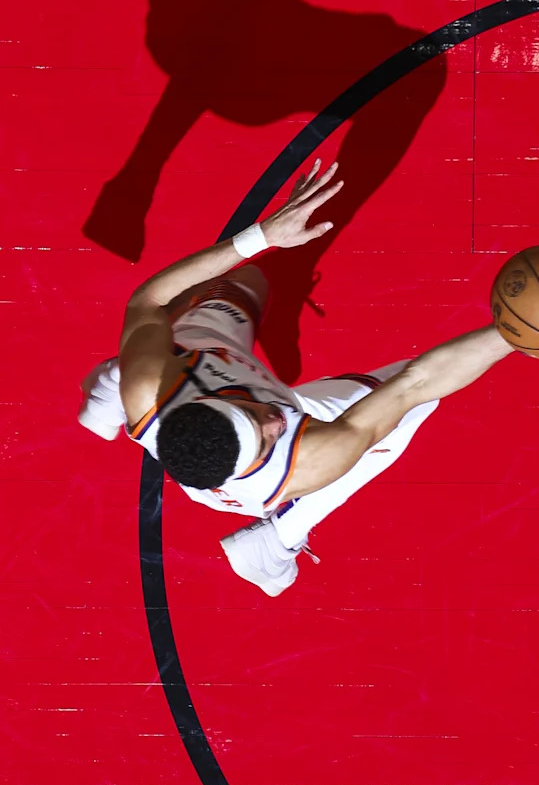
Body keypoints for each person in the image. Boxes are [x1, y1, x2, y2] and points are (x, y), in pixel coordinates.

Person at [79, 159, 515, 596]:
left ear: (203, 402)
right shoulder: (304, 457)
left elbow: (149, 297)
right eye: (266, 435)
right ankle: (281, 535)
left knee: (250, 281)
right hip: (265, 467)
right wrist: (516, 332)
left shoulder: (151, 387)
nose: (273, 422)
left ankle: (107, 388)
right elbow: (417, 382)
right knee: (406, 408)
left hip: (196, 358)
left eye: (252, 415)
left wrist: (263, 236)